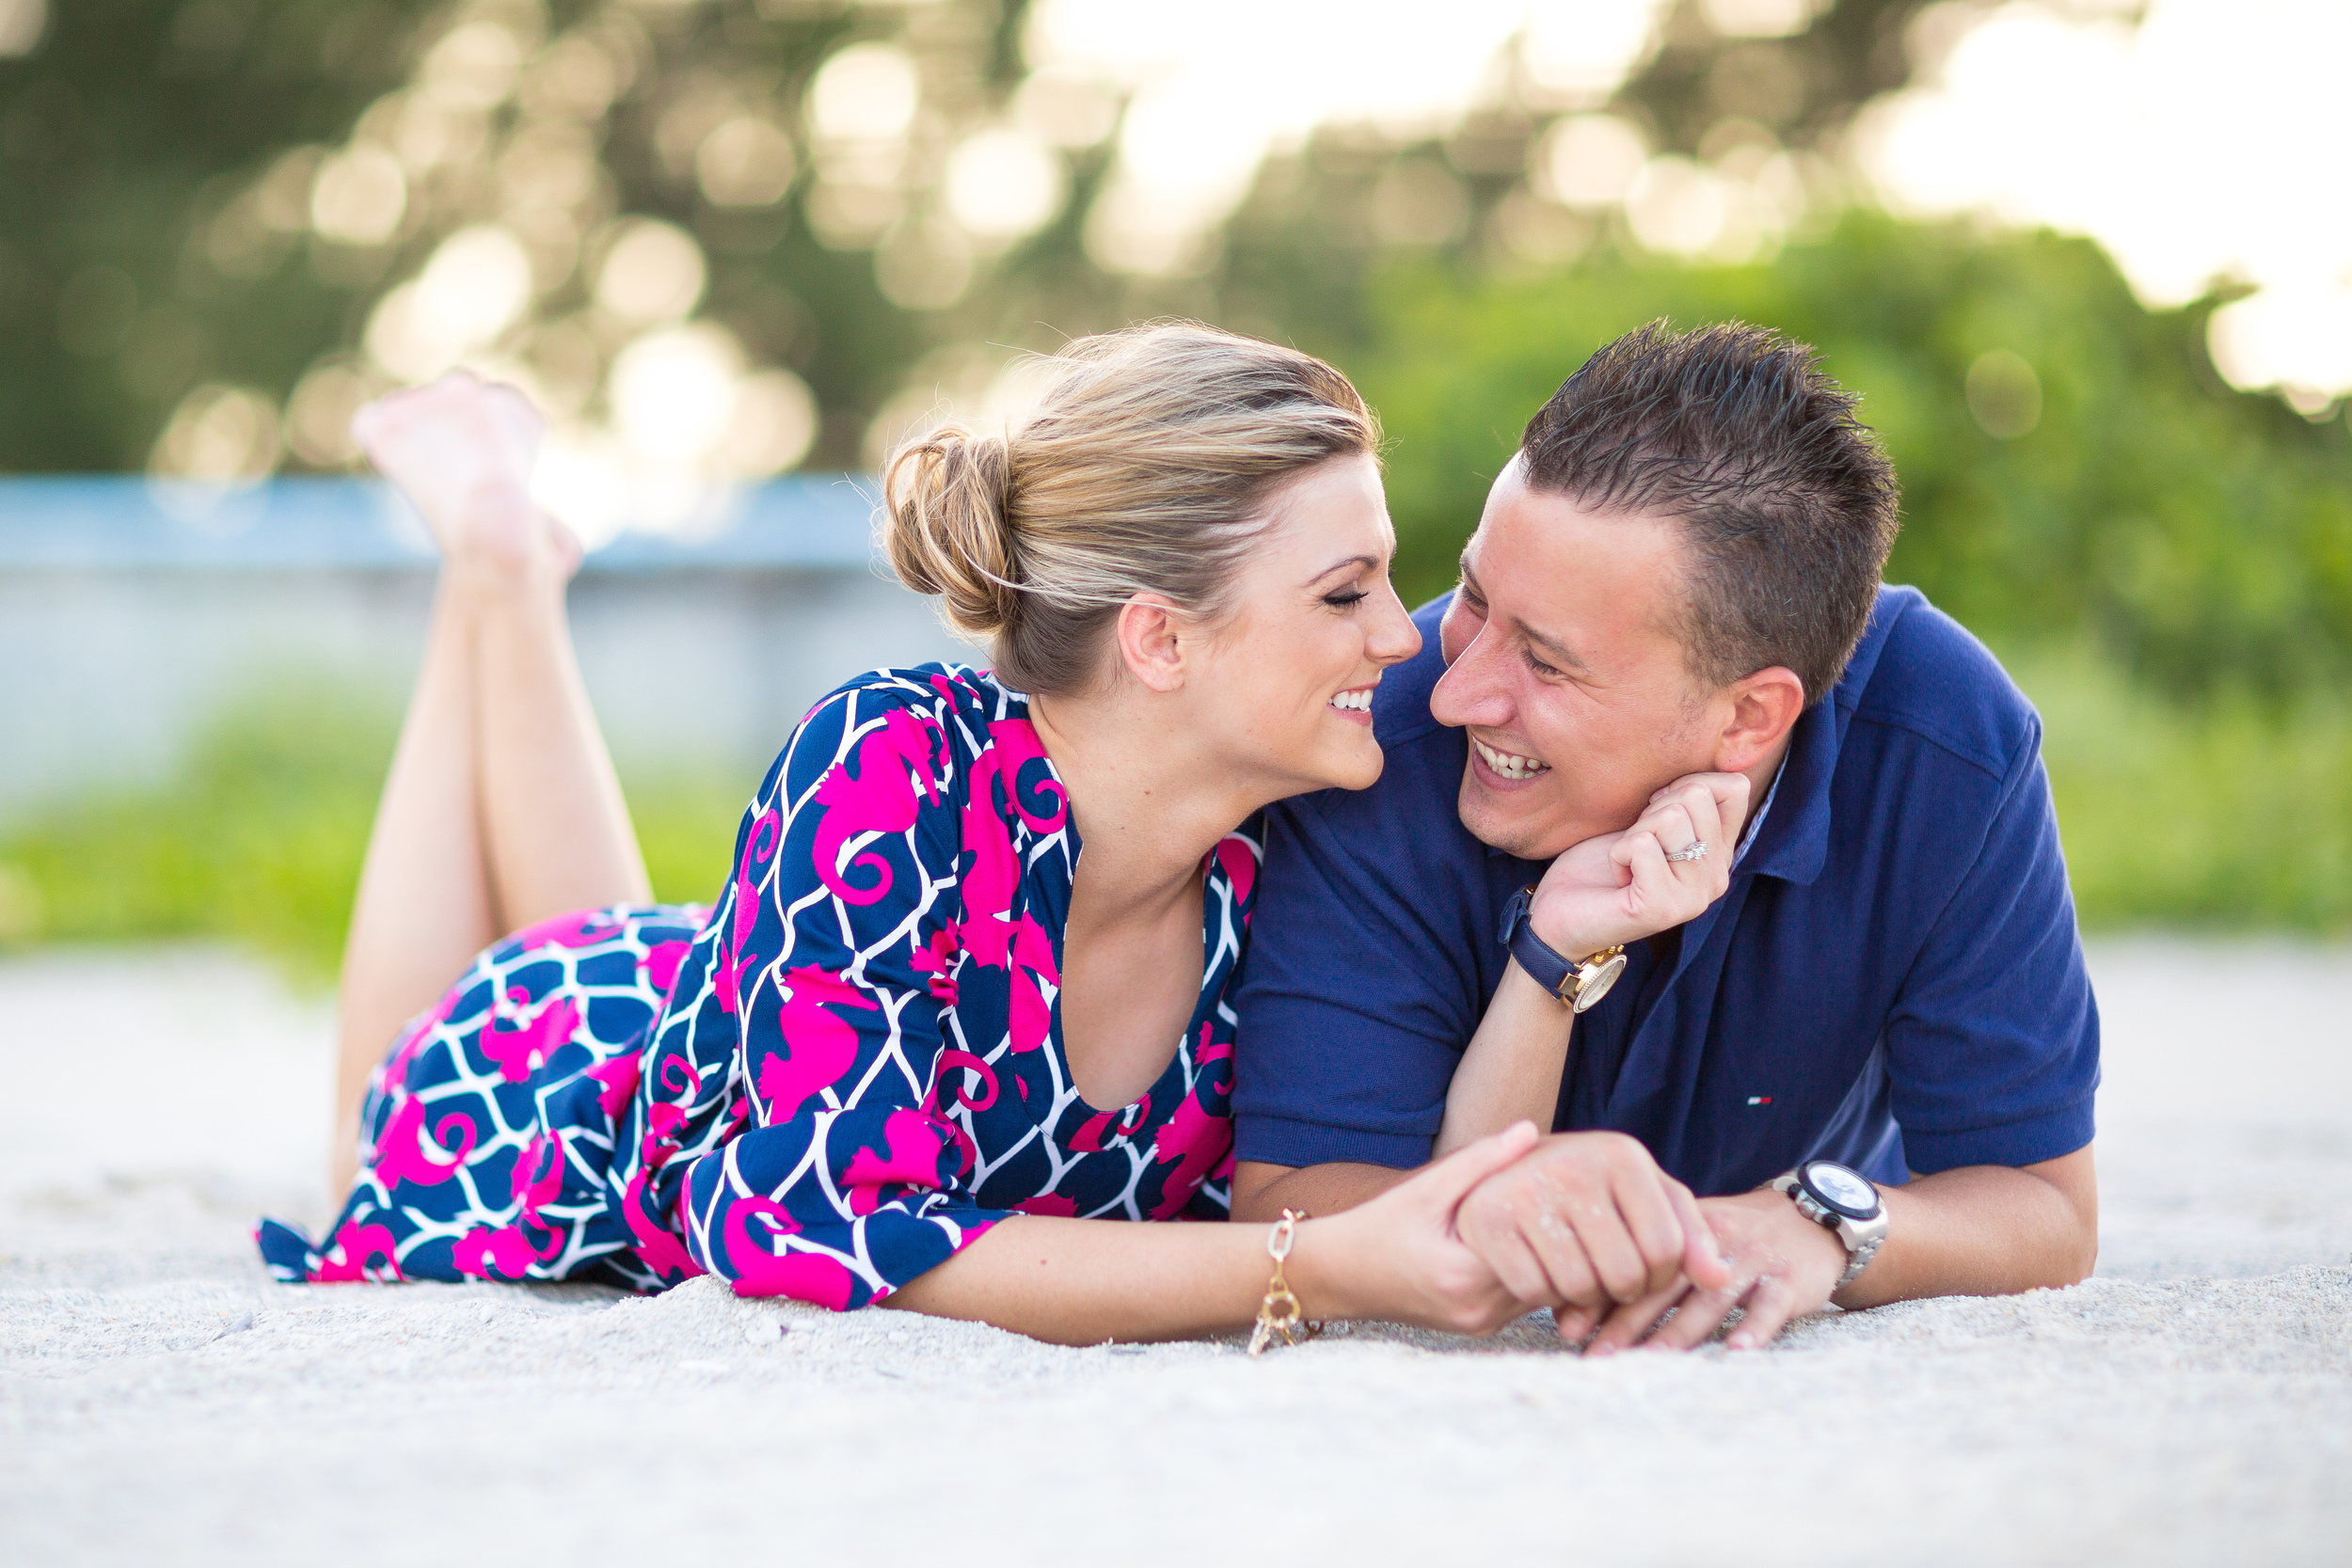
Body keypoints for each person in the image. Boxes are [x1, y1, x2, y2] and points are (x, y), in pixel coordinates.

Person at [255, 325, 1740, 1347]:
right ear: (1160, 638)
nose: (1403, 645)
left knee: (653, 963)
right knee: (355, 1144)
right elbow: (800, 1221)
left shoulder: (1286, 841)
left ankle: (508, 564)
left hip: (719, 1004)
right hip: (543, 1093)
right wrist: (1299, 1268)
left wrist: (1561, 942)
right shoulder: (893, 758)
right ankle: (497, 561)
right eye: (1346, 591)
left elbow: (1414, 1194)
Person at [1229, 321, 2103, 1353]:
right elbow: (1290, 1203)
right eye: (1472, 595)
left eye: (1546, 665)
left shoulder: (1942, 742)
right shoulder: (1384, 734)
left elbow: (2045, 1209)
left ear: (1748, 717)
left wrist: (1817, 1223)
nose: (1459, 688)